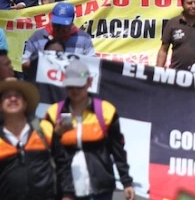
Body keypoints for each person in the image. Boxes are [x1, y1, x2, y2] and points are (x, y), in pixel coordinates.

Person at [45, 60, 136, 200]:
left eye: (79, 85)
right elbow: (44, 152)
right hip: (66, 191)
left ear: (89, 82)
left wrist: (126, 182)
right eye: (71, 86)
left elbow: (117, 149)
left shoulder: (106, 111)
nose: (75, 90)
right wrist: (57, 135)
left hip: (101, 190)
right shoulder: (53, 113)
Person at [0, 78, 72, 200]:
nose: (13, 99)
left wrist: (68, 195)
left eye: (18, 95)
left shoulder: (45, 129)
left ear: (25, 103)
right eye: (7, 96)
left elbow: (63, 164)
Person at [21, 2, 95, 72]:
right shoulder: (37, 37)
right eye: (56, 24)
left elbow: (93, 64)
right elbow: (24, 63)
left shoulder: (84, 38)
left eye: (64, 25)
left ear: (72, 21)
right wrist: (44, 65)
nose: (60, 28)